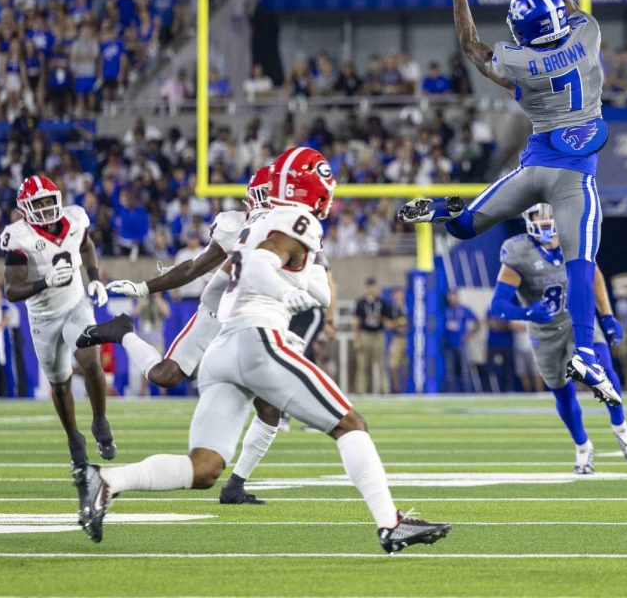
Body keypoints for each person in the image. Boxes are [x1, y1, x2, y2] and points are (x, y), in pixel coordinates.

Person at [75, 147, 452, 553]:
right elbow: (259, 268)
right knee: (350, 424)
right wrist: (288, 298)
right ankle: (390, 524)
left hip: (222, 351)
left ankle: (109, 481)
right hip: (258, 338)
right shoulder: (295, 217)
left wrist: (299, 288)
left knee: (205, 467)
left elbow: (311, 291)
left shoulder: (255, 223)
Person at [400, 0, 618, 406]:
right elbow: (564, 0)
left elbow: (471, 45)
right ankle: (584, 350)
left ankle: (446, 208)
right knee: (581, 263)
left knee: (462, 228)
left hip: (534, 166)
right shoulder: (588, 34)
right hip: (573, 176)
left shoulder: (519, 60)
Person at [87, 166, 284, 504]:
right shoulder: (236, 224)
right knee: (165, 376)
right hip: (217, 312)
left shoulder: (291, 227)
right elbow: (195, 267)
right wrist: (144, 287)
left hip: (252, 321)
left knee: (270, 407)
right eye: (266, 193)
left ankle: (235, 485)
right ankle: (123, 333)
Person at [490, 204, 627, 472]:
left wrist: (606, 316)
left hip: (578, 320)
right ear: (529, 218)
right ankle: (583, 447)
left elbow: (594, 276)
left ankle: (621, 426)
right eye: (540, 214)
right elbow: (498, 305)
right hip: (545, 333)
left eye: (551, 214)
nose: (546, 220)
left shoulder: (576, 240)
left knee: (601, 367)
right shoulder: (519, 252)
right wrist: (527, 312)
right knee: (562, 393)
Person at [0, 175, 125, 472]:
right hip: (43, 318)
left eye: (47, 201)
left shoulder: (75, 217)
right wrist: (44, 282)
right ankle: (74, 440)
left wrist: (94, 279)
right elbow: (11, 291)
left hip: (75, 305)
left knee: (92, 362)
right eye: (37, 204)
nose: (45, 209)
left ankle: (100, 421)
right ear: (24, 210)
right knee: (59, 384)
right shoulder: (19, 238)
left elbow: (86, 245)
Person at [353, 278, 388, 394]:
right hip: (365, 334)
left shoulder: (382, 302)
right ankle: (361, 391)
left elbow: (388, 321)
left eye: (373, 286)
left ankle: (384, 390)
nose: (371, 289)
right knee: (362, 365)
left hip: (378, 335)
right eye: (369, 287)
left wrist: (379, 318)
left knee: (381, 364)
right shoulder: (361, 302)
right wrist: (357, 338)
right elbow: (356, 321)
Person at [442, 290, 479, 392]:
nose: (452, 298)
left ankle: (467, 393)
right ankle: (451, 393)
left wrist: (470, 335)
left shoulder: (464, 310)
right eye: (450, 296)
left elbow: (477, 322)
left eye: (454, 296)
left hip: (461, 344)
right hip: (449, 344)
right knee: (450, 371)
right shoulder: (445, 310)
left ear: (457, 297)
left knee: (465, 370)